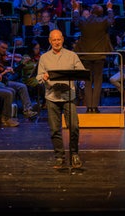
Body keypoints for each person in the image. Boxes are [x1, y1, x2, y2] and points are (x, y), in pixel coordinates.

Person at [36, 29, 86, 169]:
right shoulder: (44, 58)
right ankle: (59, 157)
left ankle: (74, 154)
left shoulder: (71, 55)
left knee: (74, 127)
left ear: (63, 39)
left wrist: (79, 78)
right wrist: (43, 77)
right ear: (50, 41)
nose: (56, 42)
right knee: (54, 129)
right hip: (52, 97)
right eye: (54, 40)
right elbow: (38, 77)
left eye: (59, 39)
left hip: (68, 96)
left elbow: (81, 72)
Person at [72, 1, 115, 113]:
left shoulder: (83, 21)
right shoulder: (103, 21)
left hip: (85, 55)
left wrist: (76, 9)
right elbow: (111, 20)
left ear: (91, 12)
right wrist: (110, 8)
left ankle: (89, 107)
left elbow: (75, 21)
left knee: (87, 81)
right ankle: (94, 106)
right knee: (98, 81)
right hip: (99, 55)